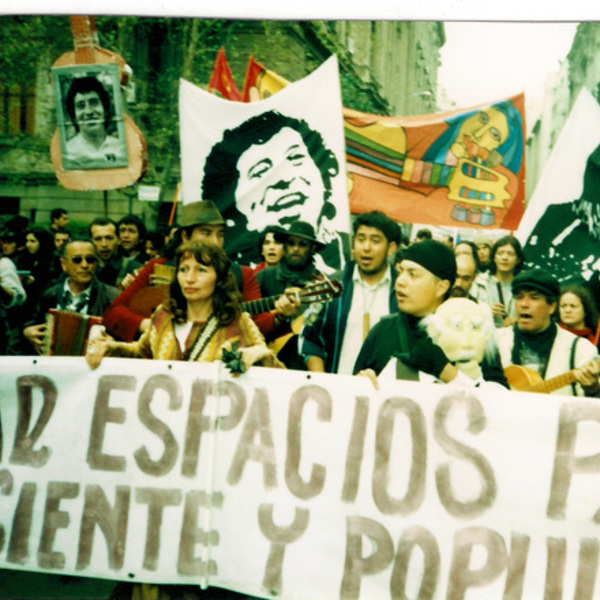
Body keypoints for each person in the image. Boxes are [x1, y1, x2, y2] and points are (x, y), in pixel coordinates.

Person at [103, 200, 276, 343]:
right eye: (206, 233)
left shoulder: (242, 274)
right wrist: (149, 325)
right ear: (185, 236)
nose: (215, 241)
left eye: (220, 234)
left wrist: (282, 315)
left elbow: (258, 324)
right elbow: (113, 312)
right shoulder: (157, 266)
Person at [87, 241, 281, 368]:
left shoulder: (238, 322)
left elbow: (280, 377)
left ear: (219, 278)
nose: (189, 278)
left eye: (201, 270)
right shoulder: (163, 315)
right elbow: (141, 352)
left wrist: (263, 354)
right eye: (183, 269)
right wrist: (111, 348)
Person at [353, 239, 508, 388]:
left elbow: (499, 401)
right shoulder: (382, 331)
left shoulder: (473, 329)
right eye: (400, 272)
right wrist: (362, 383)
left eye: (412, 274)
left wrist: (450, 375)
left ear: (441, 287)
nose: (400, 281)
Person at [202, 109, 344, 268]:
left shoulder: (351, 253)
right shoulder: (232, 274)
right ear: (236, 204)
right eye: (260, 172)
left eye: (295, 157)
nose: (284, 179)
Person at [299, 210, 400, 374]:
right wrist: (322, 379)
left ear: (391, 248)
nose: (366, 247)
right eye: (360, 239)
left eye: (375, 241)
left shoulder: (402, 290)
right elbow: (309, 336)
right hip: (336, 389)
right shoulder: (330, 286)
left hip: (384, 394)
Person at [497, 269, 600, 397]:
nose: (524, 304)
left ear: (551, 306)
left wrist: (593, 389)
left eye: (534, 298)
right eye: (519, 297)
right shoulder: (494, 341)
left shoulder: (581, 350)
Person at [22, 238, 119, 354]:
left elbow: (128, 339)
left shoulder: (112, 297)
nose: (84, 265)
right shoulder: (49, 295)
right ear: (64, 264)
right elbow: (30, 323)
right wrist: (27, 332)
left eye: (90, 260)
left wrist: (115, 344)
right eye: (77, 260)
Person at [256, 221, 327, 369]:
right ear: (285, 246)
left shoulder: (322, 283)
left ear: (312, 248)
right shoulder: (265, 276)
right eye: (291, 243)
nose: (296, 248)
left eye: (302, 244)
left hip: (306, 364)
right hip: (266, 361)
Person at [63, 75, 123, 164]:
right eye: (81, 105)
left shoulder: (121, 147)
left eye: (94, 103)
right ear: (74, 117)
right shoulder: (67, 152)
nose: (88, 112)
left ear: (105, 109)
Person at [476, 235, 525, 327]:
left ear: (518, 259)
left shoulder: (523, 286)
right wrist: (486, 311)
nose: (504, 257)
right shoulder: (479, 282)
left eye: (510, 254)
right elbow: (467, 310)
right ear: (494, 257)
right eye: (500, 253)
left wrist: (518, 321)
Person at [89, 217, 141, 287]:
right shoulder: (86, 269)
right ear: (91, 241)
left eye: (109, 238)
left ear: (119, 240)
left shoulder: (134, 269)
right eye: (98, 239)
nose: (104, 244)